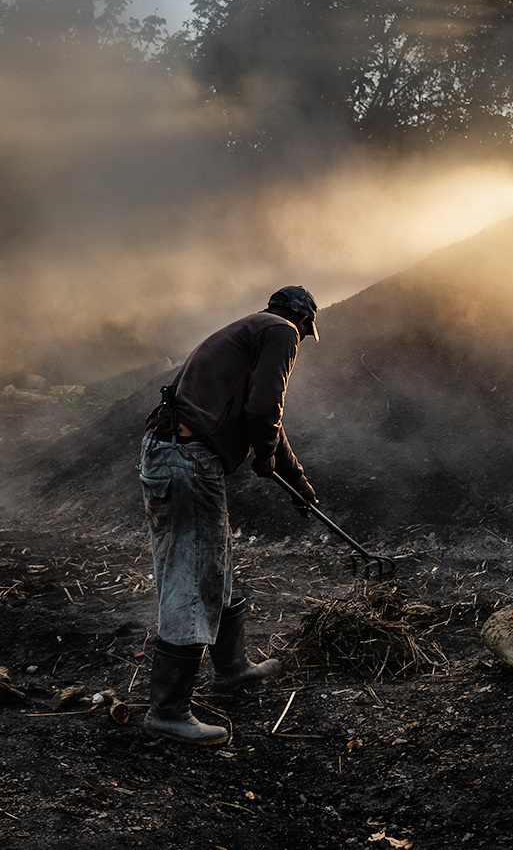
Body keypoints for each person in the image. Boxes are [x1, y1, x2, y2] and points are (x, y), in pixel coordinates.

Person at [139, 285, 318, 745]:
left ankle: (232, 668)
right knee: (193, 576)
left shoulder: (248, 331)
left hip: (173, 454)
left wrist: (296, 480)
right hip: (187, 460)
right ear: (302, 321)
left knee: (212, 564)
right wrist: (264, 452)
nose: (300, 341)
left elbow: (267, 418)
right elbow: (264, 409)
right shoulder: (282, 331)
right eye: (304, 333)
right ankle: (168, 712)